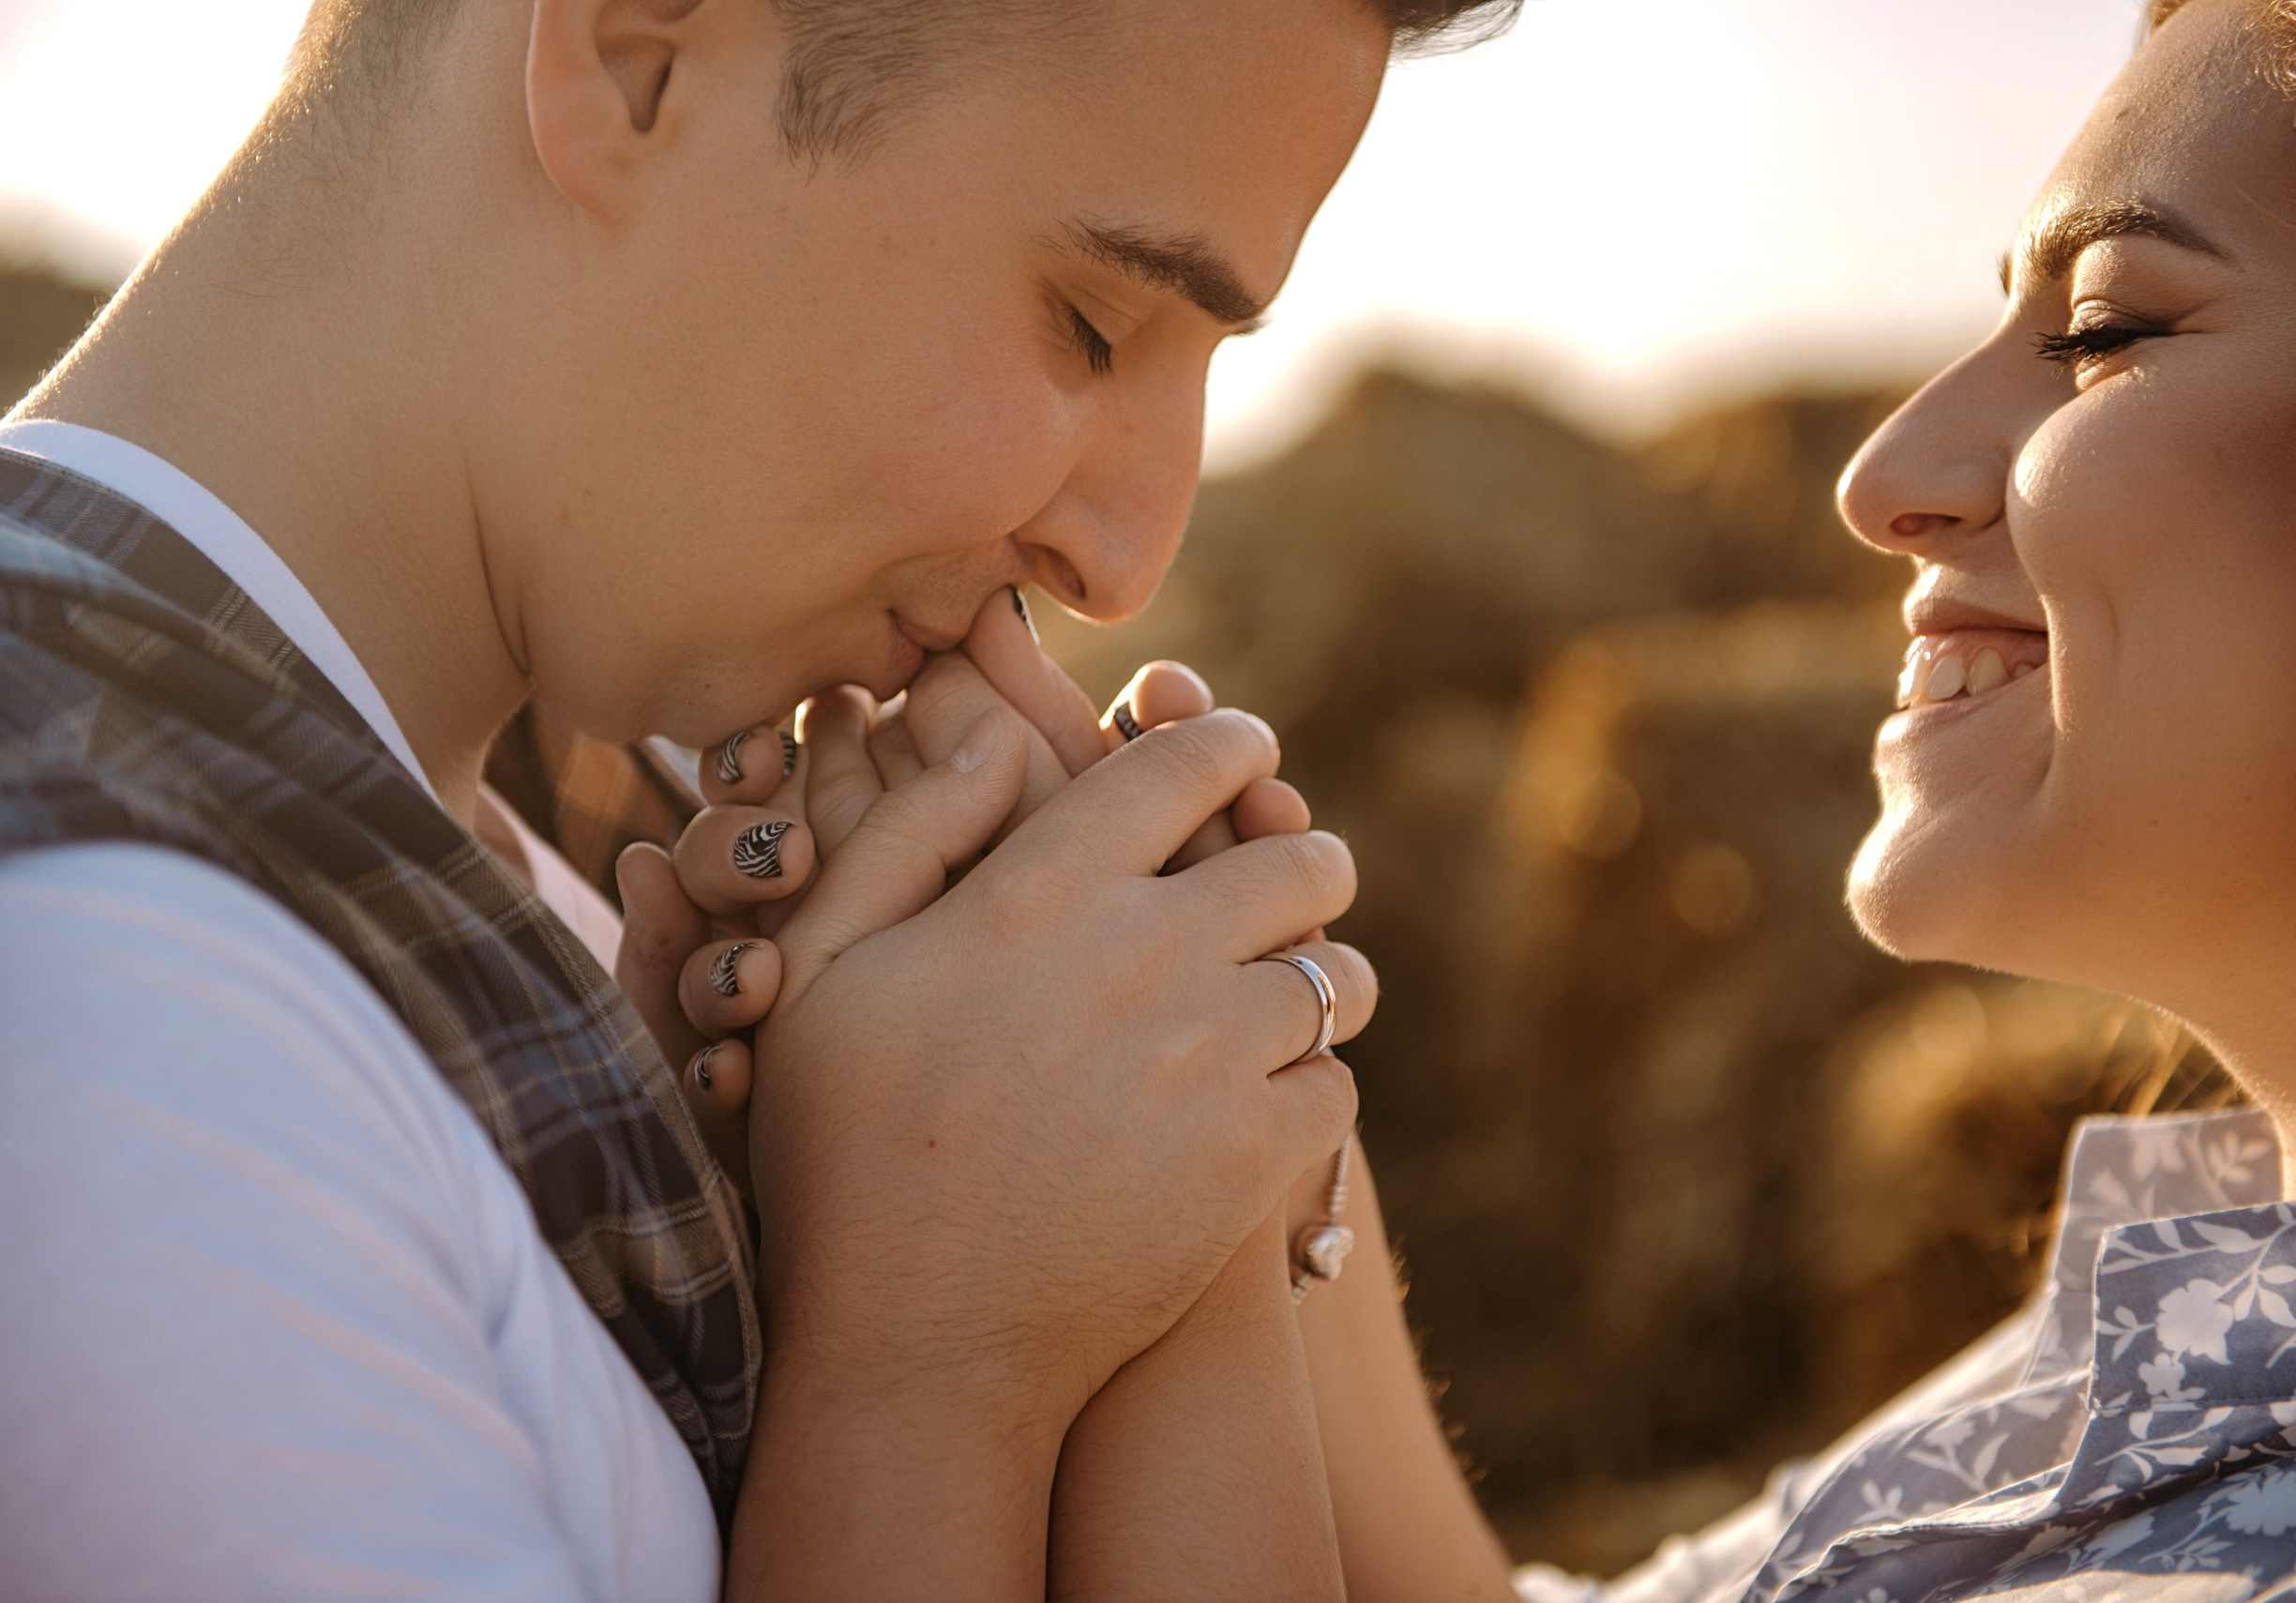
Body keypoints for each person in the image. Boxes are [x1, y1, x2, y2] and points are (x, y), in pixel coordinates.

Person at [654, 0, 2296, 1596]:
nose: (1885, 475)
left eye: (2105, 328)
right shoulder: (2197, 1324)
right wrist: (1216, 1111)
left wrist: (924, 1353)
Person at [0, 1, 1518, 1599]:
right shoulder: (109, 1033)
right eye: (1090, 323)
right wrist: (930, 1368)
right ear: (632, 55)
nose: (1131, 560)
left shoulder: (611, 799)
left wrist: (1178, 1138)